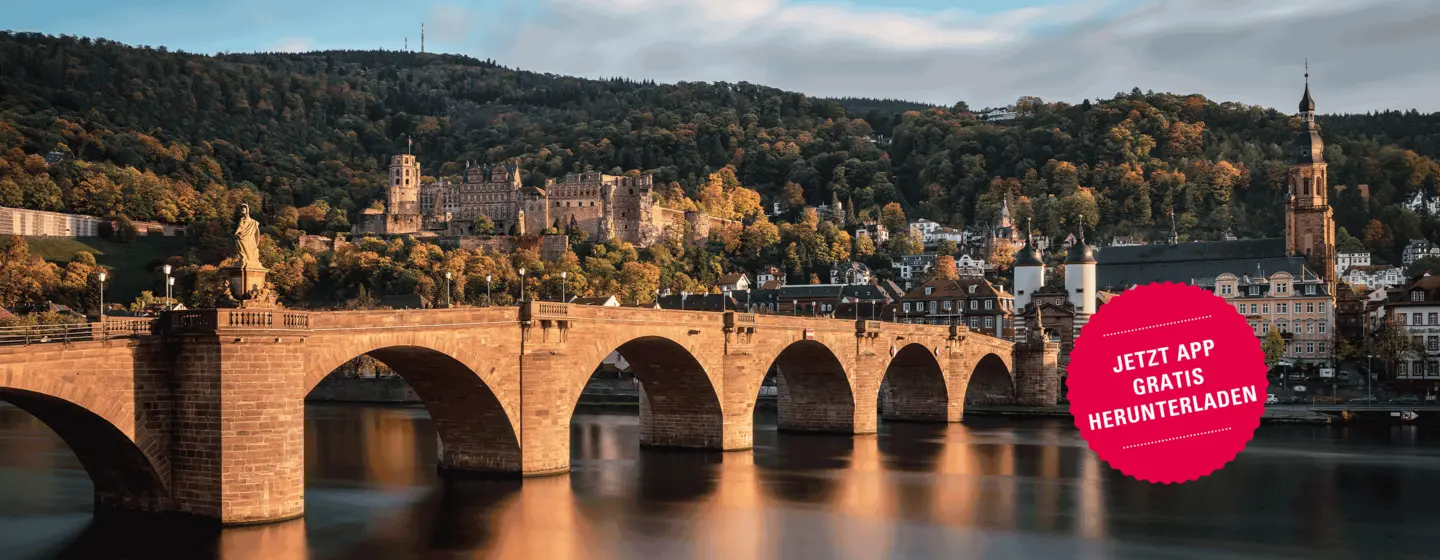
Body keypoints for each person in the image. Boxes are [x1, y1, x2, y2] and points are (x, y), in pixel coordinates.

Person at [234, 203, 261, 269]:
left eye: (244, 210)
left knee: (239, 241)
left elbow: (241, 226)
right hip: (243, 235)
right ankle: (244, 257)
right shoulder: (242, 219)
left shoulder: (252, 221)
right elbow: (240, 227)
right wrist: (236, 233)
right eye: (242, 210)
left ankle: (245, 258)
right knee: (238, 241)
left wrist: (236, 233)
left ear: (247, 211)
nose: (242, 211)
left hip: (248, 236)